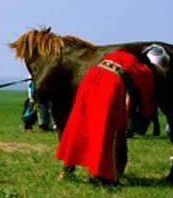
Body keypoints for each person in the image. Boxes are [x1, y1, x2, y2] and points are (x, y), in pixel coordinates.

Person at [56, 45, 167, 185]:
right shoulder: (144, 71)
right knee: (106, 130)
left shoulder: (122, 55)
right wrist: (146, 113)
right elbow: (146, 97)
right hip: (109, 84)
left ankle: (68, 168)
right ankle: (102, 176)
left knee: (80, 124)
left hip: (91, 78)